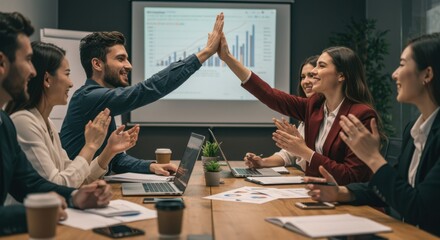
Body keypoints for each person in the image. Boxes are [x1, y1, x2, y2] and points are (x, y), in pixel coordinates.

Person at [305, 33, 440, 236]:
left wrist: (373, 157)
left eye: (402, 65)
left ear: (427, 75)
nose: (394, 74)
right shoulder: (415, 128)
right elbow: (394, 186)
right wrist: (341, 192)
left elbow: (419, 208)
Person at [60, 13, 224, 176]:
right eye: (121, 59)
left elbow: (115, 161)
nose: (129, 65)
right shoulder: (89, 97)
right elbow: (148, 89)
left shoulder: (103, 101)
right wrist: (207, 52)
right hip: (77, 190)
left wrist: (151, 166)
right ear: (97, 64)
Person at [0, 11, 112, 236]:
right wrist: (37, 212)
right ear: (2, 63)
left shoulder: (5, 123)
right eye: (27, 60)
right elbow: (53, 182)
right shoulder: (20, 121)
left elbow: (30, 184)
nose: (32, 72)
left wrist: (74, 197)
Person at [218, 34, 381, 185]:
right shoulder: (315, 105)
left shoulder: (360, 115)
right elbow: (268, 94)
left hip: (347, 204)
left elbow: (352, 177)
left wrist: (305, 152)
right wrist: (228, 58)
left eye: (321, 66)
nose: (314, 72)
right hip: (315, 192)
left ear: (341, 76)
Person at [5, 41, 140, 188]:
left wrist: (109, 150)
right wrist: (90, 145)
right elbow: (57, 186)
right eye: (67, 74)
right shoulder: (23, 122)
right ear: (47, 79)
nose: (71, 83)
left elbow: (79, 178)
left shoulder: (46, 122)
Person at [244, 55, 318, 170]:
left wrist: (300, 144)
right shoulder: (307, 111)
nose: (305, 81)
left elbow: (316, 160)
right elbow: (289, 154)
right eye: (302, 77)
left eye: (311, 76)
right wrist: (262, 162)